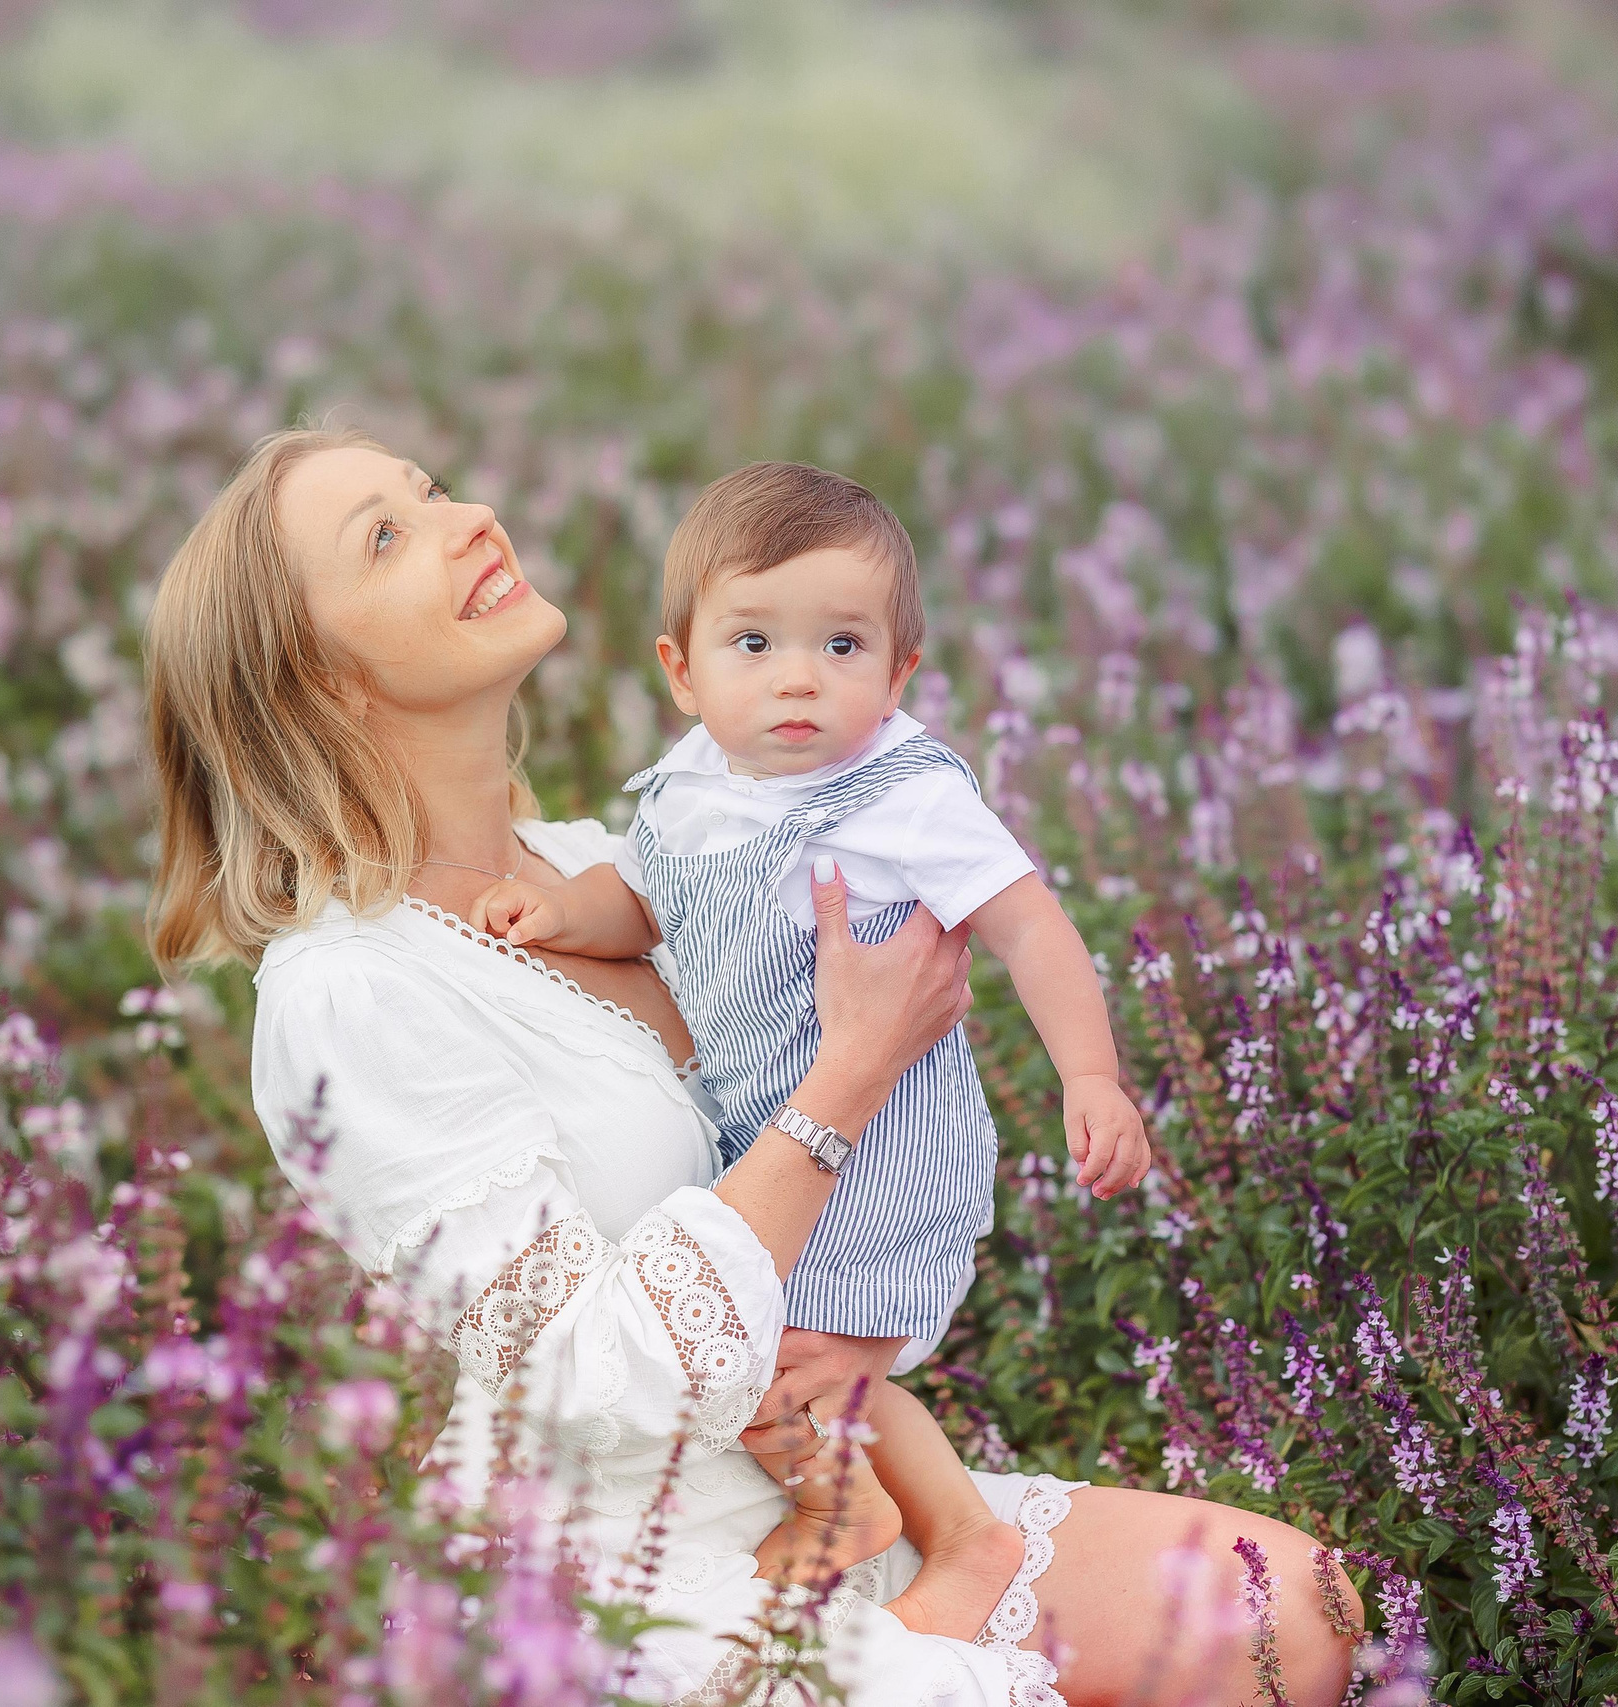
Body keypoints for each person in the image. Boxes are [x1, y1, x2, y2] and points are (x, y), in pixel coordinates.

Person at [142, 425, 1361, 1706]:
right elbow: (584, 1376)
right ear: (320, 681)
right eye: (386, 538)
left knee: (1304, 1613)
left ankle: (942, 1544)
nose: (471, 517)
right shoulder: (351, 990)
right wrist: (853, 1070)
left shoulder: (602, 854)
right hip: (624, 1574)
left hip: (837, 1480)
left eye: (430, 490)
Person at [457, 460, 1151, 1640]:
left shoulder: (901, 795)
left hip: (881, 1147)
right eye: (753, 644)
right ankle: (887, 1508)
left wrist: (1093, 1075)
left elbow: (1028, 924)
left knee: (810, 1356)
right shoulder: (691, 789)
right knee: (764, 1344)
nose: (797, 679)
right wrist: (568, 915)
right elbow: (649, 898)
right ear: (680, 672)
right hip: (765, 1125)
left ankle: (874, 1515)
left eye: (841, 646)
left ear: (899, 672)